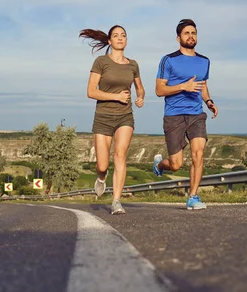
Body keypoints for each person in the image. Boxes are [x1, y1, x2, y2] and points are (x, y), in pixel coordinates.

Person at [153, 19, 218, 210]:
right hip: (174, 115)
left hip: (196, 114)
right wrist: (183, 86)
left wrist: (209, 102)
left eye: (194, 33)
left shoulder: (204, 61)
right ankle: (160, 165)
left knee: (198, 153)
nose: (191, 36)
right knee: (176, 164)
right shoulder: (169, 60)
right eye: (187, 33)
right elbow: (159, 90)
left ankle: (193, 197)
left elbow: (203, 86)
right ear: (178, 37)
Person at [81, 25, 145, 215]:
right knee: (102, 165)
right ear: (109, 41)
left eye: (123, 35)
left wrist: (140, 96)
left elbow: (139, 87)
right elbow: (91, 91)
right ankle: (102, 178)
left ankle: (116, 201)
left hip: (125, 116)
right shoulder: (101, 62)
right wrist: (116, 97)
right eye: (116, 36)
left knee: (120, 154)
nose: (120, 38)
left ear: (126, 40)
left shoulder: (133, 64)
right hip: (103, 116)